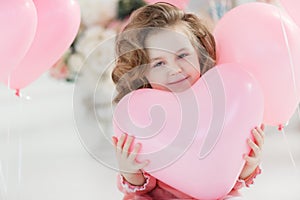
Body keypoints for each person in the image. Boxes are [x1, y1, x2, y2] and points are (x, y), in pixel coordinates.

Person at [111, 3, 265, 199]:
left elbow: (227, 175)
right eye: (159, 63)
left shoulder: (222, 101)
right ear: (143, 73)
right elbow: (140, 188)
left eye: (183, 55)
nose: (175, 69)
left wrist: (248, 164)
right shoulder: (142, 117)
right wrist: (130, 171)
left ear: (199, 55)